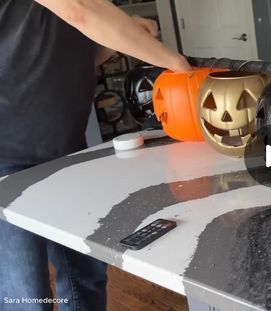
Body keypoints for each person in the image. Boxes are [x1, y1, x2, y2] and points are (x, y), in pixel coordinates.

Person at [0, 0, 192, 310]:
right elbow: (79, 10)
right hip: (6, 154)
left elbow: (64, 47)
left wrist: (118, 39)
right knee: (24, 289)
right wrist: (179, 65)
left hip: (62, 147)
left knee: (83, 271)